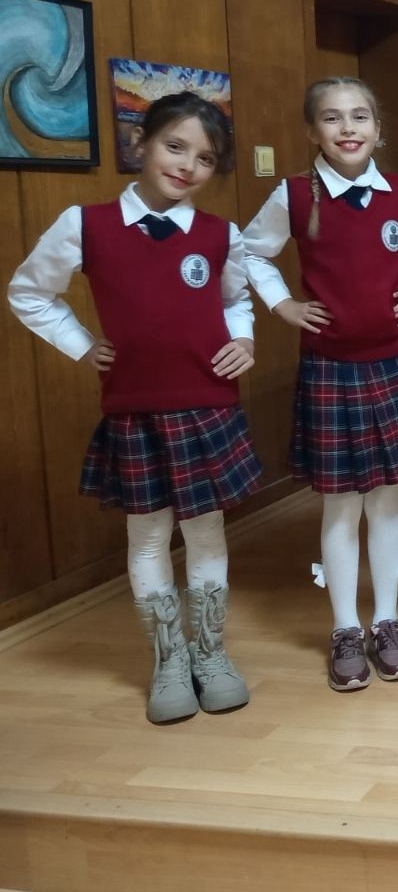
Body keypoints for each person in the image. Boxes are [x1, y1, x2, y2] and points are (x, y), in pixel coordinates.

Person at [9, 92, 260, 723]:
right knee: (147, 536)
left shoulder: (220, 234)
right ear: (140, 144)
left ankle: (211, 654)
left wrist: (245, 339)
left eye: (206, 158)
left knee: (206, 532)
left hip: (207, 406)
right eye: (175, 146)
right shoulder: (85, 225)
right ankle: (169, 660)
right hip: (134, 410)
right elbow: (28, 292)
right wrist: (81, 344)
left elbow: (235, 300)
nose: (187, 165)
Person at [242, 77, 398, 690]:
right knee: (340, 502)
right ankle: (345, 628)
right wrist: (282, 305)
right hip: (329, 368)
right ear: (313, 132)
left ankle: (387, 620)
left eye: (359, 117)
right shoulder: (293, 194)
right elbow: (249, 253)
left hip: (390, 366)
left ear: (378, 129)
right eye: (331, 118)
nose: (347, 128)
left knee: (385, 497)